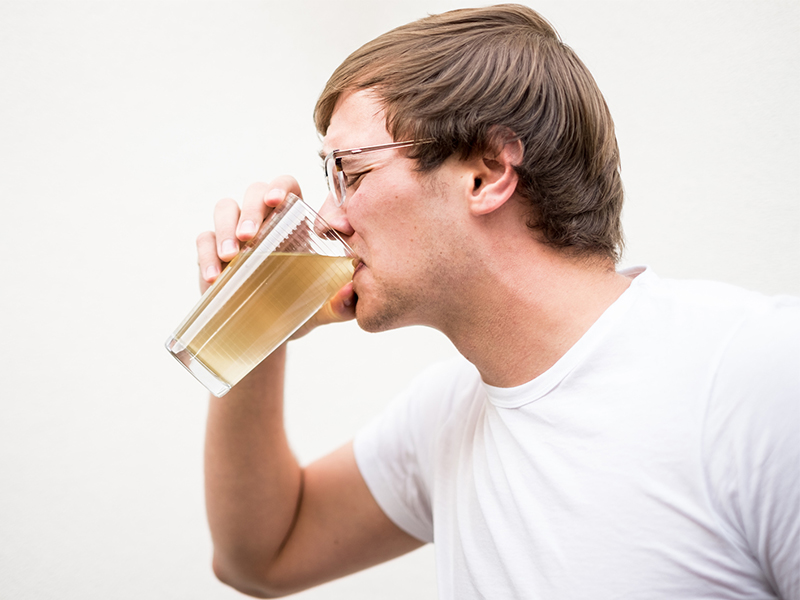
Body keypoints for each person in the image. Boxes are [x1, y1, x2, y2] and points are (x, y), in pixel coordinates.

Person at [195, 5, 799, 599]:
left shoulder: (755, 377)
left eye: (349, 172)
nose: (327, 220)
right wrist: (257, 320)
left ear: (486, 174)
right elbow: (259, 557)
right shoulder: (448, 419)